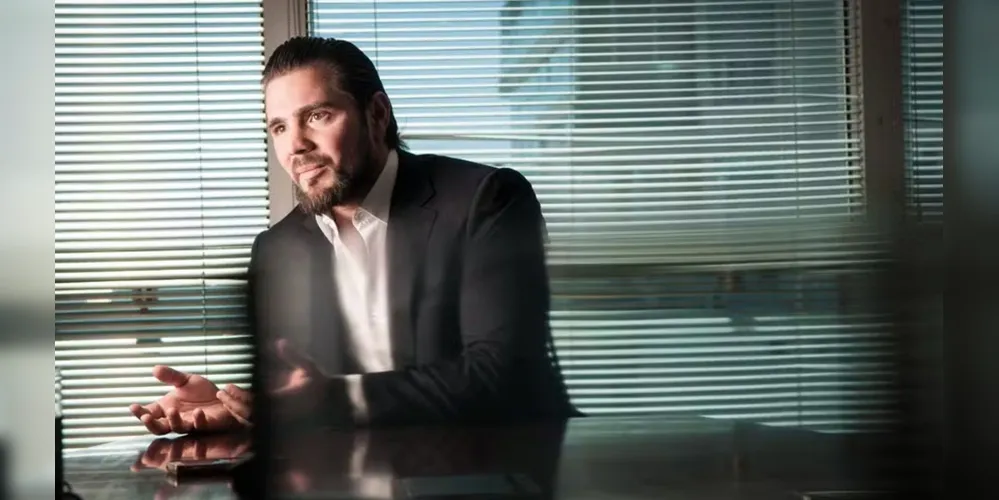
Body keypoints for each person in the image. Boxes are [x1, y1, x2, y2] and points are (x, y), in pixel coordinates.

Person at [127, 36, 576, 434]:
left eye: (317, 115)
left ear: (376, 114)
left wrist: (336, 400)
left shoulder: (486, 199)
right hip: (351, 474)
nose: (295, 145)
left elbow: (502, 375)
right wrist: (238, 408)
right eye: (279, 127)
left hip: (499, 466)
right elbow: (298, 394)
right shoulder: (276, 249)